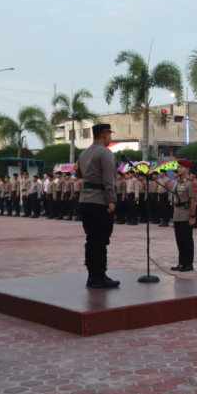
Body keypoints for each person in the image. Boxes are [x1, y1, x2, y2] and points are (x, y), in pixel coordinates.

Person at [75, 123, 120, 288]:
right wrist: (111, 200)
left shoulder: (83, 154)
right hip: (100, 201)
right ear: (104, 134)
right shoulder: (105, 153)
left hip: (85, 200)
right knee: (101, 240)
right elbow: (109, 180)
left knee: (91, 239)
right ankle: (100, 276)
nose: (110, 137)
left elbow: (80, 175)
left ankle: (92, 276)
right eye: (109, 134)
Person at [170, 160, 197, 271]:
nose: (179, 169)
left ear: (187, 169)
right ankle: (181, 262)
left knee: (187, 239)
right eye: (178, 167)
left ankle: (188, 263)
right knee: (179, 240)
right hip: (177, 213)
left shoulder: (191, 183)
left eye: (181, 167)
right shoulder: (177, 182)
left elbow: (192, 201)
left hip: (186, 213)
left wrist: (192, 216)